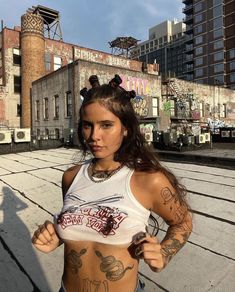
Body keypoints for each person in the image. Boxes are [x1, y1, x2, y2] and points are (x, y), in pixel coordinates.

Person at [32, 83, 192, 292]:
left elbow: (183, 221)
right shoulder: (71, 177)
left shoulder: (148, 180)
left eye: (106, 125)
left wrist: (164, 252)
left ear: (125, 128)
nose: (94, 136)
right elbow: (81, 223)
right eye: (88, 125)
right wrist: (55, 236)